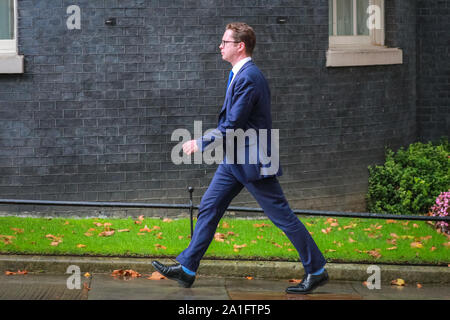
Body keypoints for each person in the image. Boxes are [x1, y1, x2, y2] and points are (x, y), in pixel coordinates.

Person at [153, 22, 328, 294]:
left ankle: (316, 270)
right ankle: (187, 268)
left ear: (240, 46)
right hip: (235, 158)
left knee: (282, 216)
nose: (220, 46)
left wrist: (201, 142)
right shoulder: (239, 73)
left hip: (254, 160)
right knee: (210, 207)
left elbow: (233, 123)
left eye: (225, 42)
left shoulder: (248, 77)